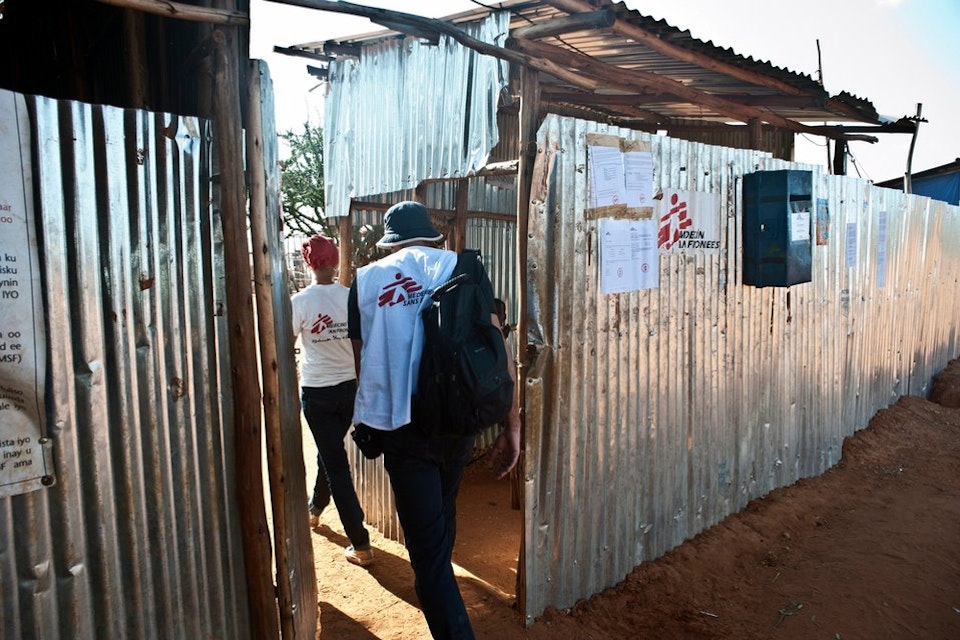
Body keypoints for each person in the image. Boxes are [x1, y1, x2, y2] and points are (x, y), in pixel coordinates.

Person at [348, 201, 521, 640]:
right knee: (440, 521)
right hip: (459, 420)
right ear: (431, 235)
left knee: (426, 550)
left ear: (392, 241)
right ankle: (438, 593)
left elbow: (361, 361)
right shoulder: (463, 268)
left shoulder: (366, 281)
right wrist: (511, 424)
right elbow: (498, 348)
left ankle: (447, 617)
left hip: (404, 429)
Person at [291, 235, 374, 567]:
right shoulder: (351, 297)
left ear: (309, 263)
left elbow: (285, 342)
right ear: (337, 261)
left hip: (317, 393)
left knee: (335, 463)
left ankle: (361, 543)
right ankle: (315, 508)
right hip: (349, 390)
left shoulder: (301, 301)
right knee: (331, 453)